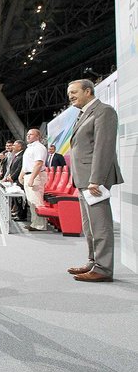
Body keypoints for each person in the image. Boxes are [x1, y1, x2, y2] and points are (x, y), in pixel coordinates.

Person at [66, 79, 123, 282]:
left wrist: (96, 179)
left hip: (94, 179)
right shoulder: (83, 114)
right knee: (89, 225)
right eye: (69, 93)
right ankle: (93, 261)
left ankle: (104, 268)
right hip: (83, 178)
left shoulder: (103, 111)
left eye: (74, 92)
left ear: (88, 91)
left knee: (100, 225)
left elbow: (103, 148)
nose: (70, 96)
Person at [21, 128, 48, 231]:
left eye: (31, 134)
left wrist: (32, 178)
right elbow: (27, 164)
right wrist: (21, 175)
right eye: (27, 134)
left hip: (36, 175)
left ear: (37, 136)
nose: (28, 136)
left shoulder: (39, 147)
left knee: (36, 200)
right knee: (31, 201)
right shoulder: (29, 148)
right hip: (29, 175)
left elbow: (38, 163)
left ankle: (40, 225)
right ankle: (34, 223)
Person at [4, 140, 27, 221]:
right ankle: (18, 212)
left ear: (19, 147)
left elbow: (19, 169)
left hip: (18, 180)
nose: (12, 146)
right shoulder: (16, 155)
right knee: (16, 199)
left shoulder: (22, 156)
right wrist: (10, 175)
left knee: (19, 199)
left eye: (14, 145)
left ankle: (22, 216)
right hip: (14, 179)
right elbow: (12, 168)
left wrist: (12, 177)